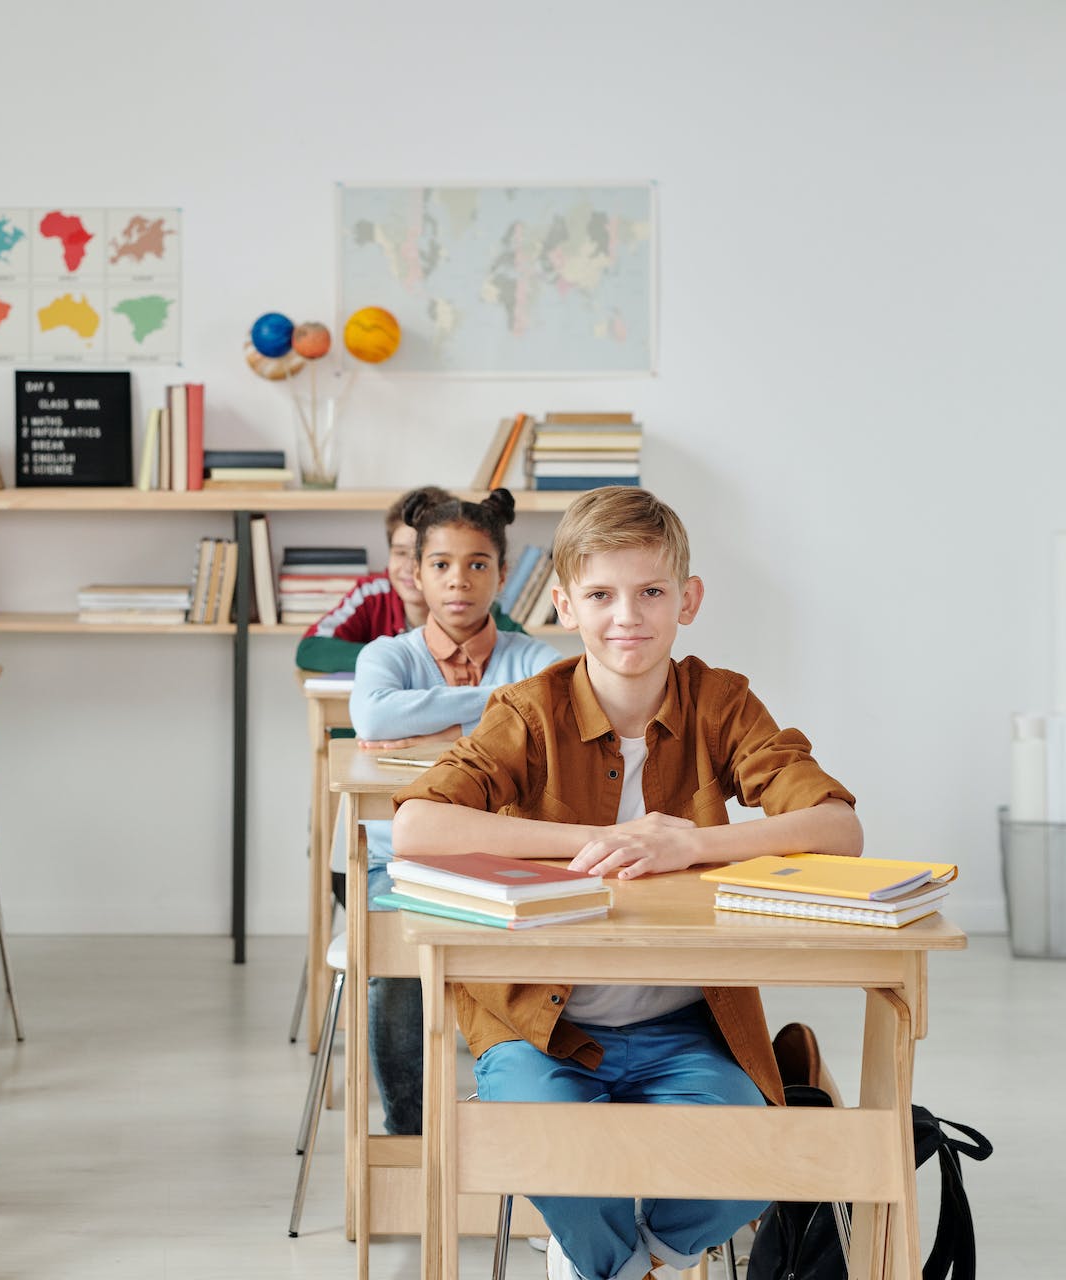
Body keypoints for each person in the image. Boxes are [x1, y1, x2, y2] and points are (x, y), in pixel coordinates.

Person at [392, 486, 864, 1280]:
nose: (628, 617)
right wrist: (602, 839)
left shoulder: (722, 702)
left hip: (688, 1028)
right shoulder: (528, 709)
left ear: (689, 599)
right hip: (542, 1027)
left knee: (761, 1151)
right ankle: (613, 1263)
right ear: (565, 603)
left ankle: (651, 1257)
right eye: (602, 595)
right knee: (550, 1142)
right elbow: (417, 825)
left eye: (651, 593)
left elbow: (837, 828)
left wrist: (692, 844)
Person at [347, 487, 558, 1138]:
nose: (458, 581)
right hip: (404, 866)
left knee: (569, 959)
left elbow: (555, 702)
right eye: (440, 564)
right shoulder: (389, 655)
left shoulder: (536, 657)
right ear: (416, 572)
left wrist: (434, 724)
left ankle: (536, 1149)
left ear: (502, 572)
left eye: (476, 564)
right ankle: (411, 1141)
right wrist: (501, 707)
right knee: (397, 971)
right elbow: (376, 715)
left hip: (519, 865)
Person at [294, 484, 524, 674]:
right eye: (400, 552)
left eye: (435, 561)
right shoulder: (373, 594)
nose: (409, 567)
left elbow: (526, 654)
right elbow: (310, 649)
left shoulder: (471, 606)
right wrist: (399, 660)